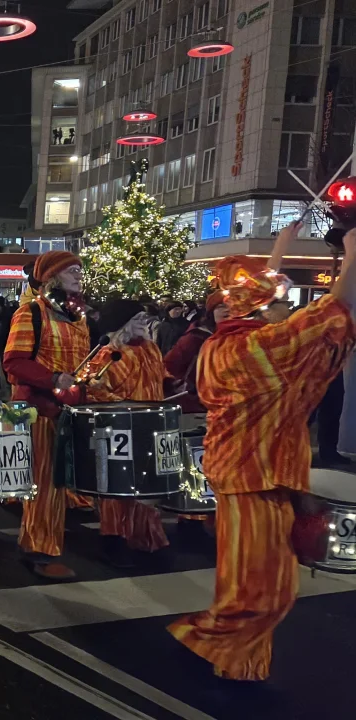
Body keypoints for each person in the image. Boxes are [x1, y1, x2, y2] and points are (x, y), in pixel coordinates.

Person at [169, 223, 356, 682]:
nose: (286, 309)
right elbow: (335, 310)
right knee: (263, 590)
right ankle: (199, 640)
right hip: (248, 474)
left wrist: (280, 248)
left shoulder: (245, 339)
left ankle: (240, 667)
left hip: (271, 472)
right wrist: (353, 247)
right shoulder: (242, 348)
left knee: (262, 583)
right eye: (277, 302)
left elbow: (296, 314)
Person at [3, 250, 90, 581]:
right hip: (34, 411)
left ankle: (42, 546)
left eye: (79, 270)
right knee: (42, 484)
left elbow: (82, 363)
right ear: (52, 276)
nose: (78, 275)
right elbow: (13, 361)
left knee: (56, 484)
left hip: (65, 411)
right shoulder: (31, 312)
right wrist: (53, 378)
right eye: (71, 271)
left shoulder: (77, 317)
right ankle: (38, 551)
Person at [83, 299, 170, 567]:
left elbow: (161, 380)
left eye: (145, 317)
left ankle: (146, 537)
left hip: (151, 426)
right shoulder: (106, 355)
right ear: (122, 323)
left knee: (146, 487)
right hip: (119, 428)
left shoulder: (152, 349)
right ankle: (114, 541)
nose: (144, 322)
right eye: (138, 317)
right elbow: (93, 390)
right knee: (117, 489)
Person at [163, 293, 228, 415]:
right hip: (197, 405)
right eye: (221, 306)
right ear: (210, 312)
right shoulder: (196, 337)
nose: (228, 309)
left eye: (232, 305)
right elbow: (169, 365)